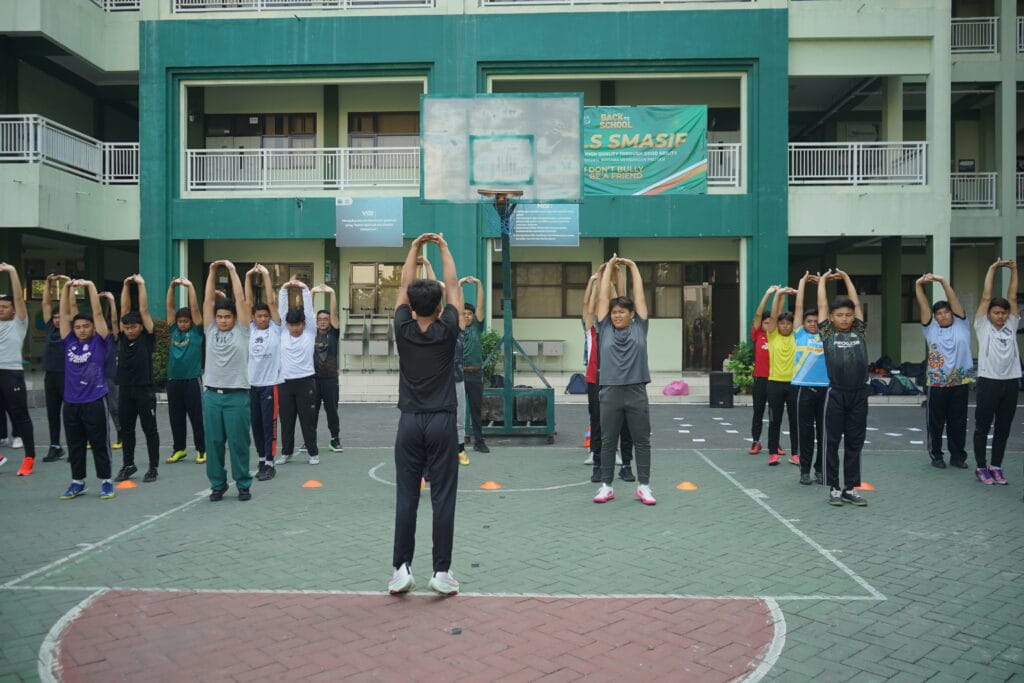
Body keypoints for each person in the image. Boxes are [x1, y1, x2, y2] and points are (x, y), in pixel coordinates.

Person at [388, 232, 462, 597]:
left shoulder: (402, 327)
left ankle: (401, 569)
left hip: (410, 422)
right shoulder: (448, 327)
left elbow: (404, 283)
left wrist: (414, 248)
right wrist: (443, 247)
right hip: (442, 421)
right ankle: (441, 571)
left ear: (413, 307)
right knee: (442, 497)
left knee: (407, 496)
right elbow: (451, 283)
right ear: (438, 307)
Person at [592, 255, 654, 506]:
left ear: (631, 315)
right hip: (609, 392)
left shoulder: (640, 327)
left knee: (642, 440)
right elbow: (603, 297)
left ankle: (644, 486)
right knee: (608, 441)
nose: (616, 315)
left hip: (636, 390)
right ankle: (606, 486)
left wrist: (634, 267)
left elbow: (639, 297)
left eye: (622, 312)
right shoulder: (604, 327)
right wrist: (607, 268)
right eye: (614, 312)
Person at [58, 279, 115, 500]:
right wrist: (65, 289)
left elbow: (99, 315)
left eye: (86, 326)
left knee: (100, 443)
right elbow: (64, 316)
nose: (82, 330)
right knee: (75, 445)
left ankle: (106, 481)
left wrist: (91, 286)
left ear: (93, 328)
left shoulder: (99, 342)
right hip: (71, 402)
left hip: (94, 399)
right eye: (78, 327)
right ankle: (77, 482)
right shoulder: (69, 341)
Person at [816, 269, 869, 507]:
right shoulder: (827, 333)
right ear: (832, 316)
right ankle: (834, 488)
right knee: (832, 441)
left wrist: (847, 278)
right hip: (836, 393)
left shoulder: (859, 330)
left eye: (848, 315)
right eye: (840, 315)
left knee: (855, 442)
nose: (845, 318)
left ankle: (850, 487)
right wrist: (824, 281)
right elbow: (820, 305)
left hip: (859, 394)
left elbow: (856, 303)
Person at [202, 260, 253, 502]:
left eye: (227, 316)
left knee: (238, 443)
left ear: (234, 318)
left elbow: (242, 301)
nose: (222, 320)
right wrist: (212, 271)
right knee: (213, 444)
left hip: (237, 396)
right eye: (220, 317)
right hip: (212, 395)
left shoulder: (242, 330)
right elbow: (208, 301)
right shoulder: (210, 330)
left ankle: (243, 483)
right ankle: (217, 485)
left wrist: (232, 271)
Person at [914, 273, 972, 470]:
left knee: (958, 423)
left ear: (952, 313)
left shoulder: (962, 325)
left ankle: (957, 456)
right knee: (936, 423)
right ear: (935, 317)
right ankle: (936, 455)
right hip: (936, 384)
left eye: (946, 312)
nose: (943, 315)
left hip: (960, 383)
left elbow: (954, 300)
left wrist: (942, 282)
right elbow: (923, 306)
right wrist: (918, 285)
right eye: (939, 313)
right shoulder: (930, 329)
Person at [581, 263, 632, 483]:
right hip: (596, 379)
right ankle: (598, 464)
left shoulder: (616, 328)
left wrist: (615, 277)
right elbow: (589, 305)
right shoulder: (591, 328)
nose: (613, 314)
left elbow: (620, 299)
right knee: (598, 422)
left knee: (624, 424)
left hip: (618, 379)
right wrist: (595, 282)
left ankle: (626, 465)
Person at [971, 259, 1019, 486]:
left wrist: (1014, 270)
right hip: (988, 381)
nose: (1000, 316)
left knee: (1003, 427)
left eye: (1003, 313)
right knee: (982, 426)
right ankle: (981, 467)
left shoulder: (1011, 323)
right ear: (989, 313)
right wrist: (992, 269)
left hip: (1010, 382)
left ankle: (996, 466)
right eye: (996, 312)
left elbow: (1012, 296)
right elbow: (986, 297)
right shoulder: (983, 326)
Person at [114, 275, 161, 483]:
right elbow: (124, 311)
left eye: (133, 327)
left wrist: (141, 284)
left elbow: (142, 310)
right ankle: (128, 464)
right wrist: (125, 284)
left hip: (144, 390)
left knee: (149, 429)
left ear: (141, 327)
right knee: (126, 430)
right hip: (125, 390)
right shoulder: (123, 337)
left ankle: (153, 467)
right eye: (127, 327)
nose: (130, 330)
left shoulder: (147, 337)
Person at [274, 279, 319, 467]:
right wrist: (284, 289)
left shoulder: (310, 332)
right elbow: (282, 310)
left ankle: (313, 453)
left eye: (298, 325)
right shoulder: (282, 332)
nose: (295, 328)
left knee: (307, 420)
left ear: (304, 324)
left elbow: (308, 311)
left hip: (306, 381)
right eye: (292, 325)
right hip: (284, 382)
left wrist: (304, 289)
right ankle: (286, 453)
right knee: (287, 420)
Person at [0, 263, 38, 476]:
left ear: (13, 310)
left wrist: (13, 271)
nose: (0, 308)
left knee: (20, 415)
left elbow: (19, 298)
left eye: (4, 306)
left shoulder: (18, 323)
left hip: (11, 373)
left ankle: (29, 458)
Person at [164, 277, 206, 465]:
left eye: (185, 321)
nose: (182, 323)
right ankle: (179, 449)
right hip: (174, 380)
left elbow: (195, 310)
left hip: (192, 380)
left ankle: (201, 450)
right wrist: (172, 287)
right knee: (176, 417)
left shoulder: (197, 332)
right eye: (180, 321)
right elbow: (170, 308)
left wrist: (189, 287)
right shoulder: (174, 331)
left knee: (196, 417)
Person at [245, 265, 281, 481]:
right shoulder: (248, 328)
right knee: (256, 425)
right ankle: (260, 458)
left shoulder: (275, 329)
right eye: (259, 316)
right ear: (254, 317)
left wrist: (266, 275)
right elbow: (247, 302)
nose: (262, 319)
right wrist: (249, 277)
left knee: (269, 424)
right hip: (252, 385)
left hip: (270, 384)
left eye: (265, 316)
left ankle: (270, 461)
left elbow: (272, 301)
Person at [792, 272, 828, 485]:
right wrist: (802, 282)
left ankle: (820, 469)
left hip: (825, 389)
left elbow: (824, 308)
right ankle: (804, 470)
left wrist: (822, 283)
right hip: (802, 388)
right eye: (809, 320)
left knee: (824, 433)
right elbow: (798, 308)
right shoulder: (799, 334)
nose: (813, 323)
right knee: (805, 432)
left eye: (816, 321)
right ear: (803, 322)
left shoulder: (827, 334)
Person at [765, 285, 799, 466]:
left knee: (795, 421)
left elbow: (799, 312)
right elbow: (774, 314)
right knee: (774, 420)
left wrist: (796, 293)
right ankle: (773, 453)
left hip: (794, 384)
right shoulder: (772, 336)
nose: (785, 326)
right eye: (782, 323)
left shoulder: (797, 336)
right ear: (778, 324)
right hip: (774, 384)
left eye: (788, 323)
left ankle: (795, 454)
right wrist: (779, 294)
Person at [40, 274, 70, 462]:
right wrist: (48, 284)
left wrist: (68, 284)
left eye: (61, 317)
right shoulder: (50, 327)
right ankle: (55, 446)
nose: (58, 320)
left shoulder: (70, 329)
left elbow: (70, 308)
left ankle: (75, 445)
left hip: (67, 376)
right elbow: (45, 305)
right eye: (55, 317)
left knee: (70, 414)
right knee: (52, 413)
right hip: (50, 375)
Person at [310, 283, 343, 453]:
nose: (322, 322)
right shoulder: (310, 332)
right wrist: (312, 292)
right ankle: (310, 440)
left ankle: (334, 439)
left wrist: (331, 292)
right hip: (313, 380)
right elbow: (308, 312)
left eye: (326, 319)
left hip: (330, 379)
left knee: (332, 411)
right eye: (319, 319)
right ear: (315, 322)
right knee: (311, 412)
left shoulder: (334, 333)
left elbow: (335, 313)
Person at [459, 275, 489, 455]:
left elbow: (480, 306)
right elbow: (455, 304)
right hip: (459, 374)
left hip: (475, 374)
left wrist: (479, 283)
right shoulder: (457, 327)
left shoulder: (477, 326)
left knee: (476, 410)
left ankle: (479, 441)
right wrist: (460, 285)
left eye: (469, 314)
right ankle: (458, 443)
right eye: (464, 314)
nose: (467, 316)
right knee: (458, 411)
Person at [748, 286, 776, 455]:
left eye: (770, 322)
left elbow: (776, 314)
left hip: (775, 380)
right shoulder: (757, 334)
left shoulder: (777, 335)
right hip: (760, 379)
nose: (768, 325)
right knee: (758, 411)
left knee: (775, 415)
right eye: (765, 322)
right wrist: (767, 294)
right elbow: (759, 314)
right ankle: (756, 441)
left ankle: (775, 444)